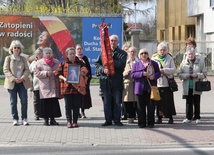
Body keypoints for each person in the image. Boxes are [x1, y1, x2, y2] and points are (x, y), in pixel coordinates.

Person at [95, 34, 127, 126]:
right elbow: (97, 64)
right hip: (106, 82)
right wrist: (103, 69)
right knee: (107, 102)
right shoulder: (103, 53)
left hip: (117, 82)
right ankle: (108, 120)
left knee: (117, 102)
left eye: (115, 40)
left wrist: (111, 59)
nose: (113, 42)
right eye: (111, 40)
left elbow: (121, 65)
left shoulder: (122, 53)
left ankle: (117, 120)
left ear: (118, 42)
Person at [55, 47, 88, 128]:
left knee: (76, 105)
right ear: (67, 55)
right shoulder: (63, 63)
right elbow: (57, 73)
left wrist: (82, 72)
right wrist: (64, 79)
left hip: (77, 88)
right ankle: (69, 121)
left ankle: (75, 121)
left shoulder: (80, 63)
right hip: (67, 88)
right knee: (68, 106)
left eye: (73, 53)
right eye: (70, 54)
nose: (72, 55)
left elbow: (86, 70)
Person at [3, 40, 31, 126]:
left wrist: (22, 78)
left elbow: (27, 70)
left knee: (24, 101)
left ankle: (24, 119)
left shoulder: (23, 59)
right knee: (13, 102)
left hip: (22, 83)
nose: (16, 49)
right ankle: (15, 119)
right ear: (12, 49)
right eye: (15, 47)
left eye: (18, 47)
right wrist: (13, 78)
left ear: (20, 49)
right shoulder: (8, 58)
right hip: (12, 83)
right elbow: (6, 70)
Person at [131, 48, 161, 128]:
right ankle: (141, 123)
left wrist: (154, 76)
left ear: (148, 54)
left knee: (151, 107)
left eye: (145, 53)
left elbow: (158, 73)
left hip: (150, 89)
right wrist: (142, 74)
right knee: (140, 107)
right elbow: (132, 75)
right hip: (139, 89)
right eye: (142, 53)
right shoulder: (136, 65)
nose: (144, 55)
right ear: (139, 56)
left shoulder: (153, 63)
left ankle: (151, 123)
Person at [178, 47, 207, 124]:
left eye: (192, 54)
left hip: (196, 86)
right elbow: (179, 74)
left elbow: (204, 74)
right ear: (187, 55)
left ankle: (197, 117)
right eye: (189, 54)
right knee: (188, 102)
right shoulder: (183, 63)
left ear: (195, 54)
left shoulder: (200, 62)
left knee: (197, 102)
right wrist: (185, 75)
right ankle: (188, 117)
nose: (190, 56)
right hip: (187, 86)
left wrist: (197, 75)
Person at [34, 47, 61, 126]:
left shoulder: (56, 62)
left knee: (53, 103)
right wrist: (46, 73)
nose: (48, 54)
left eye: (50, 53)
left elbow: (60, 70)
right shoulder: (39, 62)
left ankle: (53, 119)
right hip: (45, 86)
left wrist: (56, 73)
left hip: (54, 85)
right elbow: (36, 73)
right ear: (43, 54)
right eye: (47, 53)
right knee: (45, 104)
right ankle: (46, 120)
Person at [152, 41, 177, 124]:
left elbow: (174, 69)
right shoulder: (154, 58)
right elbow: (151, 70)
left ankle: (170, 117)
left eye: (164, 50)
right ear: (158, 50)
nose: (162, 51)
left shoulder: (169, 58)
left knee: (168, 101)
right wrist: (157, 72)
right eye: (160, 50)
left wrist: (164, 70)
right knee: (159, 102)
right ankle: (159, 117)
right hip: (158, 83)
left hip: (167, 83)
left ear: (166, 50)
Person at [122, 46, 139, 123]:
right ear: (128, 53)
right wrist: (126, 72)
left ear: (136, 53)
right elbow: (120, 72)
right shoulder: (125, 62)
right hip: (128, 83)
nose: (132, 53)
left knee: (136, 101)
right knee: (127, 101)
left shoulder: (139, 62)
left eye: (134, 51)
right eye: (130, 52)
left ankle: (135, 115)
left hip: (137, 83)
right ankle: (129, 116)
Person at [75, 44, 92, 118]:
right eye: (78, 49)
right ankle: (77, 112)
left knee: (83, 96)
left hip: (84, 81)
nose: (79, 50)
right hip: (76, 81)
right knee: (76, 96)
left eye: (80, 49)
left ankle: (83, 111)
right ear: (75, 50)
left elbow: (88, 69)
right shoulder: (74, 58)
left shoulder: (84, 58)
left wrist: (88, 78)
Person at [29, 48, 43, 120]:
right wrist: (31, 86)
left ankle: (43, 114)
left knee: (43, 100)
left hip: (44, 84)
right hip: (36, 84)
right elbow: (30, 74)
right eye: (37, 53)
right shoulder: (33, 63)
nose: (39, 54)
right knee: (36, 100)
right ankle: (36, 114)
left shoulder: (45, 62)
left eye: (40, 53)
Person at [121, 42, 132, 120]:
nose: (127, 51)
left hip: (130, 81)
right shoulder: (122, 59)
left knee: (129, 99)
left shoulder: (132, 59)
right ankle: (124, 113)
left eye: (128, 49)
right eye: (125, 49)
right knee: (123, 98)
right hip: (122, 80)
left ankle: (130, 114)